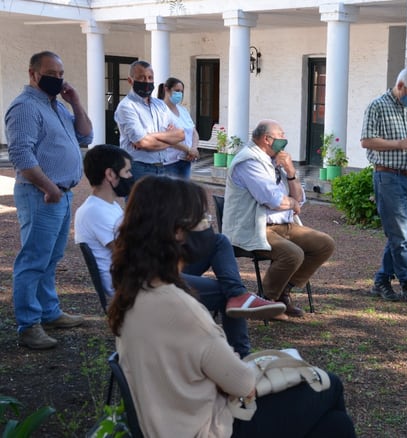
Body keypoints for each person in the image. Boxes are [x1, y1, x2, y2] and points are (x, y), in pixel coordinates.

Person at [108, 176, 356, 437]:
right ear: (178, 232)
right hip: (208, 427)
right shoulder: (180, 307)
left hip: (171, 419)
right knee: (331, 386)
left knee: (335, 425)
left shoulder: (135, 289)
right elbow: (242, 383)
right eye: (203, 220)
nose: (209, 229)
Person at [74, 147, 284, 357]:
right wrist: (175, 236)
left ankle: (238, 296)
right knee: (222, 291)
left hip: (148, 275)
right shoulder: (96, 211)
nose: (131, 177)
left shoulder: (107, 206)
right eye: (128, 172)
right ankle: (242, 353)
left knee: (217, 241)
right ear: (110, 174)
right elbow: (132, 254)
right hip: (141, 286)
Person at [6, 50, 93, 349]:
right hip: (41, 194)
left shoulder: (56, 106)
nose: (57, 78)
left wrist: (76, 103)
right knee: (33, 259)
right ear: (32, 74)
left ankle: (49, 311)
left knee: (51, 258)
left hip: (60, 194)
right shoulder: (25, 108)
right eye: (50, 73)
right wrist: (48, 187)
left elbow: (85, 136)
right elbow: (20, 155)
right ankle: (29, 326)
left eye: (60, 74)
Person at [222, 120, 335, 319]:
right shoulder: (248, 161)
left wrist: (291, 173)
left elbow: (300, 198)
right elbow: (272, 199)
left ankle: (284, 292)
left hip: (282, 225)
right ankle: (266, 301)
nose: (284, 140)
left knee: (324, 244)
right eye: (281, 135)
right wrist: (292, 203)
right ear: (267, 139)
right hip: (253, 227)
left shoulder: (274, 160)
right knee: (293, 254)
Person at [360, 65, 407, 304]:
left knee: (404, 235)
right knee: (399, 235)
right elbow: (366, 141)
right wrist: (398, 144)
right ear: (400, 86)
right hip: (389, 176)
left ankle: (381, 281)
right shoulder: (377, 106)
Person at [114, 60, 193, 180]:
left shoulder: (160, 105)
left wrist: (149, 136)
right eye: (141, 78)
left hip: (162, 167)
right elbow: (143, 143)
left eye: (150, 78)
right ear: (130, 81)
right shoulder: (127, 106)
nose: (147, 81)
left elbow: (181, 134)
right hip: (138, 168)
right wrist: (168, 138)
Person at [157, 77, 200, 179]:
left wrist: (193, 149)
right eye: (176, 91)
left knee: (184, 193)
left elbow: (194, 132)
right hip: (169, 163)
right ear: (167, 90)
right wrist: (189, 150)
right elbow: (166, 138)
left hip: (186, 160)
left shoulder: (183, 110)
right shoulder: (161, 111)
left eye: (181, 91)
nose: (179, 94)